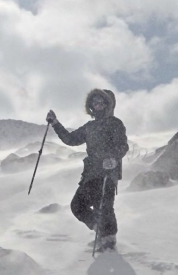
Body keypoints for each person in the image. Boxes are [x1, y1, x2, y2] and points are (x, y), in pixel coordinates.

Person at [47, 89, 129, 252]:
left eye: (101, 102)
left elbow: (123, 146)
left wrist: (113, 159)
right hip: (91, 173)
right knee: (77, 206)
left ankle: (109, 241)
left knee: (104, 207)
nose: (97, 105)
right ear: (90, 106)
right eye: (94, 102)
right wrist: (55, 123)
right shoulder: (89, 127)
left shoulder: (115, 124)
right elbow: (70, 139)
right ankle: (99, 229)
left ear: (107, 104)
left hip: (107, 172)